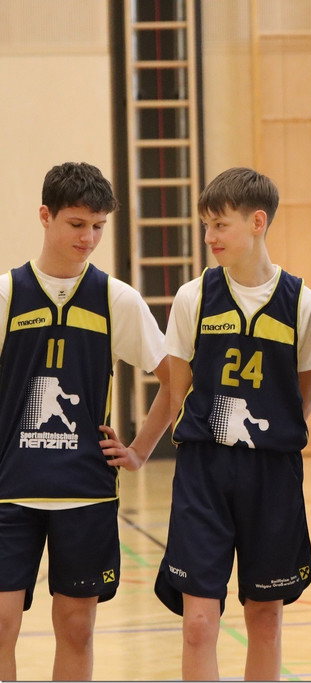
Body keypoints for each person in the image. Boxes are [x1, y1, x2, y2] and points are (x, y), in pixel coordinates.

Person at [0, 162, 173, 681]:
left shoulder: (116, 299)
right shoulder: (7, 295)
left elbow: (175, 380)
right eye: (77, 224)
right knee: (1, 623)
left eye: (99, 226)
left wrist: (140, 450)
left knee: (77, 628)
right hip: (10, 488)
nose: (89, 238)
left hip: (86, 490)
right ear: (45, 216)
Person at [153, 167, 311, 681]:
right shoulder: (194, 297)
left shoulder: (303, 303)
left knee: (265, 619)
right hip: (204, 471)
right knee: (198, 623)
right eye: (206, 224)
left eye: (220, 224)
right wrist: (145, 448)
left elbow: (305, 397)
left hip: (272, 475)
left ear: (257, 222)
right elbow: (176, 390)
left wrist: (265, 437)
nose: (210, 236)